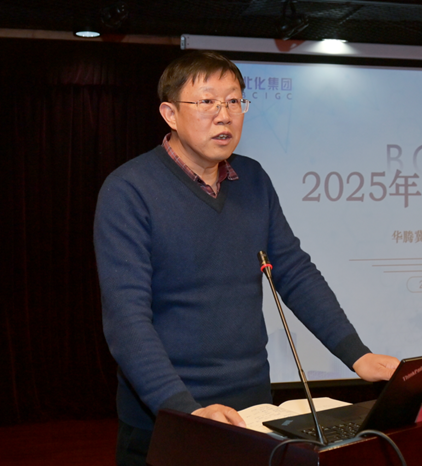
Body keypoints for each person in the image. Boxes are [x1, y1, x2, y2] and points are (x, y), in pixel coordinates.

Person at [94, 50, 399, 465]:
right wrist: (183, 409)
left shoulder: (253, 179)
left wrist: (356, 354)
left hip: (252, 412)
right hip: (167, 417)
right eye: (207, 102)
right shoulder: (129, 191)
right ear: (170, 114)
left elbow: (294, 272)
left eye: (234, 101)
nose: (224, 115)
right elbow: (126, 319)